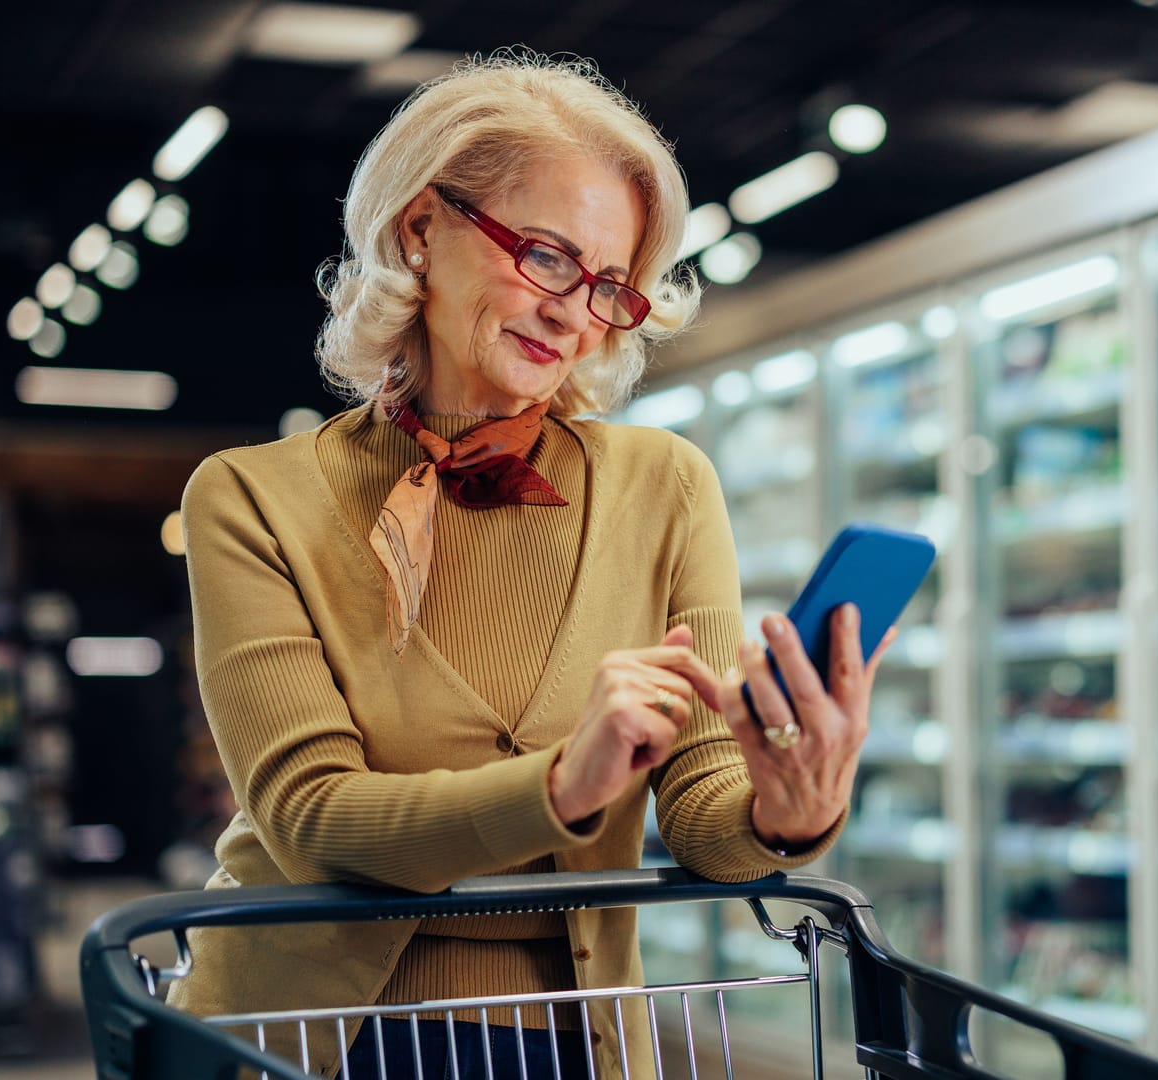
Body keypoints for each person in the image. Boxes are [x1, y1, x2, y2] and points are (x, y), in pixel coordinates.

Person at [165, 50, 894, 1080]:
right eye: (547, 256)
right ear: (422, 230)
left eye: (610, 285)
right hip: (303, 1039)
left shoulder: (666, 486)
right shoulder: (250, 498)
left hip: (574, 1040)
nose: (574, 312)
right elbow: (312, 817)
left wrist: (791, 806)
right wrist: (562, 780)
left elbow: (701, 814)